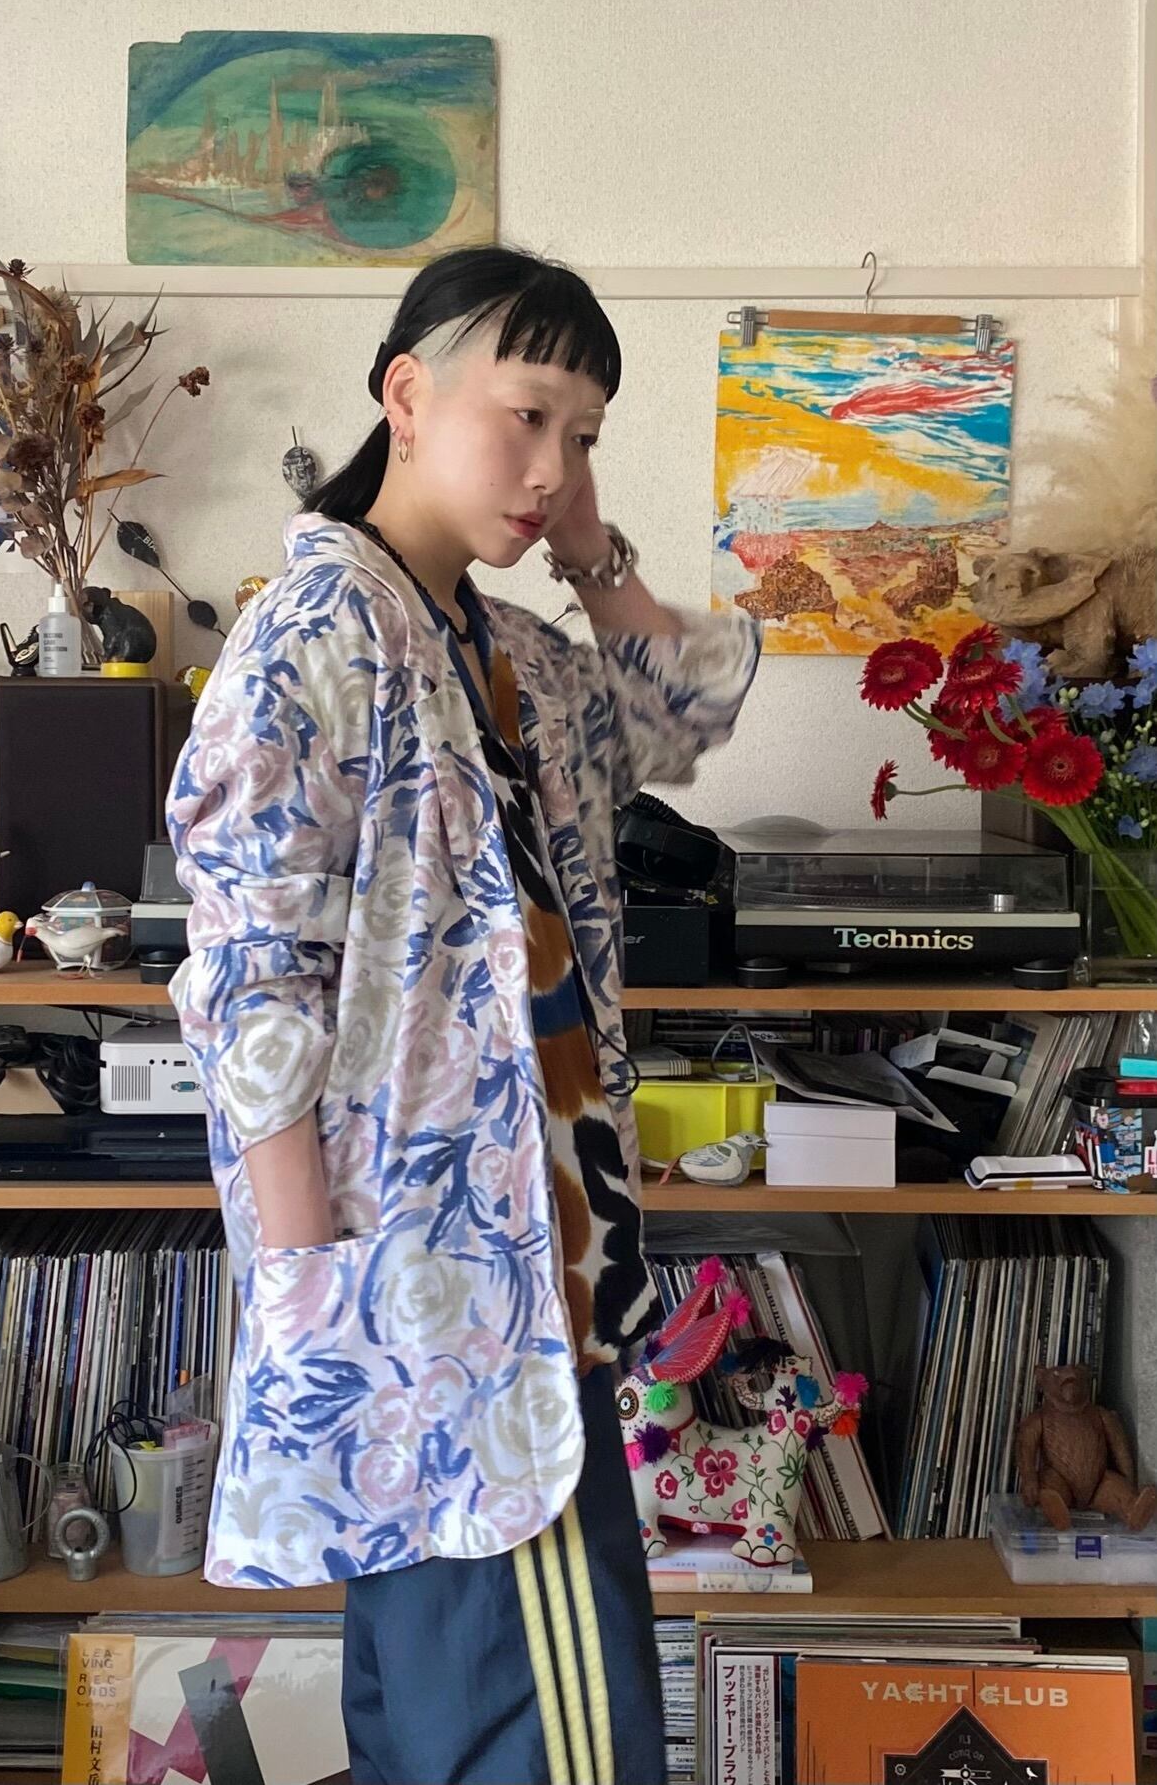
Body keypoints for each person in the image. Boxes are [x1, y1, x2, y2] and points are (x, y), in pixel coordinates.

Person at [168, 244, 760, 1785]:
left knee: (450, 1721)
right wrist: (311, 1291)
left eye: (585, 433)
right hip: (435, 1300)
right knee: (548, 1742)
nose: (550, 466)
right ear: (407, 394)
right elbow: (248, 980)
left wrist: (586, 539)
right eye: (525, 415)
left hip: (531, 1268)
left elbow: (681, 706)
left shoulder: (509, 650)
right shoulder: (320, 634)